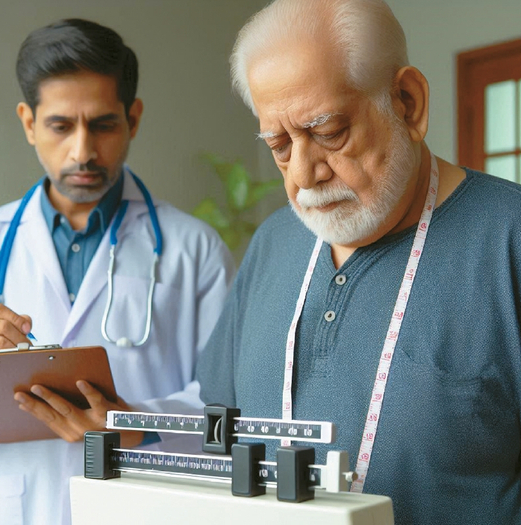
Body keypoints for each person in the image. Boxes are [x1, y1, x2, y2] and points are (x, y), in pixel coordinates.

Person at [196, 0, 521, 523]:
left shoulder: (509, 239)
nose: (303, 174)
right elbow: (219, 425)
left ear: (408, 104)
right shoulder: (273, 243)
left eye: (328, 133)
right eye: (279, 145)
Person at [0, 19, 234, 525]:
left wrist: (130, 425)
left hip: (144, 504)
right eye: (61, 126)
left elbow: (228, 413)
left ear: (133, 119)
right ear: (28, 122)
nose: (83, 151)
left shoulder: (194, 249)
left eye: (103, 124)